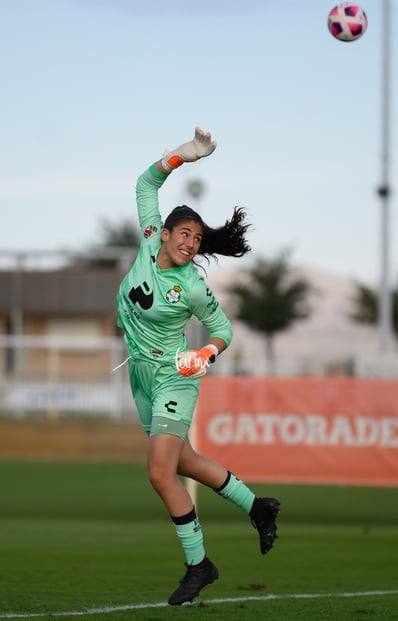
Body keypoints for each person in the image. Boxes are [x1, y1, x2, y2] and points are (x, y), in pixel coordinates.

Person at [115, 127, 280, 606]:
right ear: (163, 233)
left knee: (160, 474)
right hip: (141, 374)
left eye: (197, 238)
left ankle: (198, 564)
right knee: (182, 461)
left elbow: (223, 330)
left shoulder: (191, 285)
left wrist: (203, 355)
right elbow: (146, 186)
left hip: (174, 376)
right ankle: (258, 506)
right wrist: (183, 156)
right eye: (185, 233)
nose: (191, 242)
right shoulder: (148, 241)